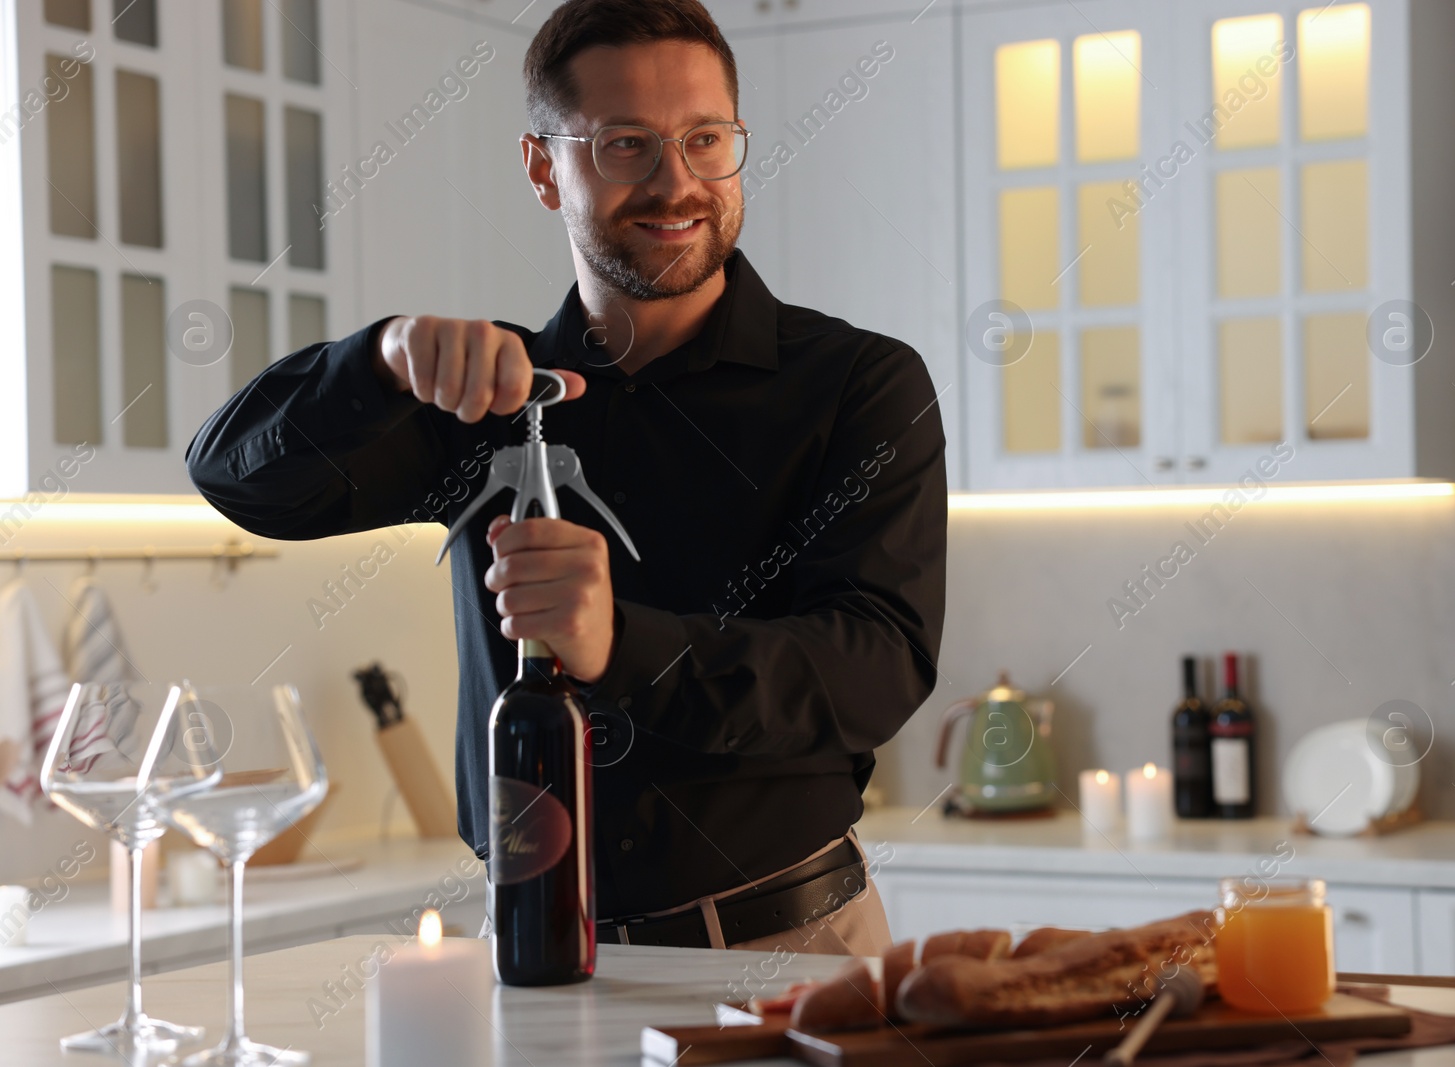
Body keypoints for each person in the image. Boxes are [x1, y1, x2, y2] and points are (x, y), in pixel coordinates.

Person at [186, 0, 945, 958]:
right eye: (626, 144)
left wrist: (622, 642)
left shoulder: (861, 384)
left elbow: (876, 666)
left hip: (786, 953)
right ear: (545, 168)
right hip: (530, 953)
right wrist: (375, 360)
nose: (678, 182)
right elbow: (239, 479)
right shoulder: (476, 391)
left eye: (705, 139)